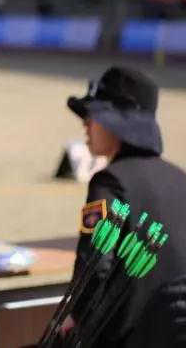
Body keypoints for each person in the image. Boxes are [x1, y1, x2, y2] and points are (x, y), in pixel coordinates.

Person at [61, 66, 186, 347]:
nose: (85, 123)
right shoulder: (180, 178)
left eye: (93, 115)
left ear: (115, 123)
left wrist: (75, 315)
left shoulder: (110, 181)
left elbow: (96, 264)